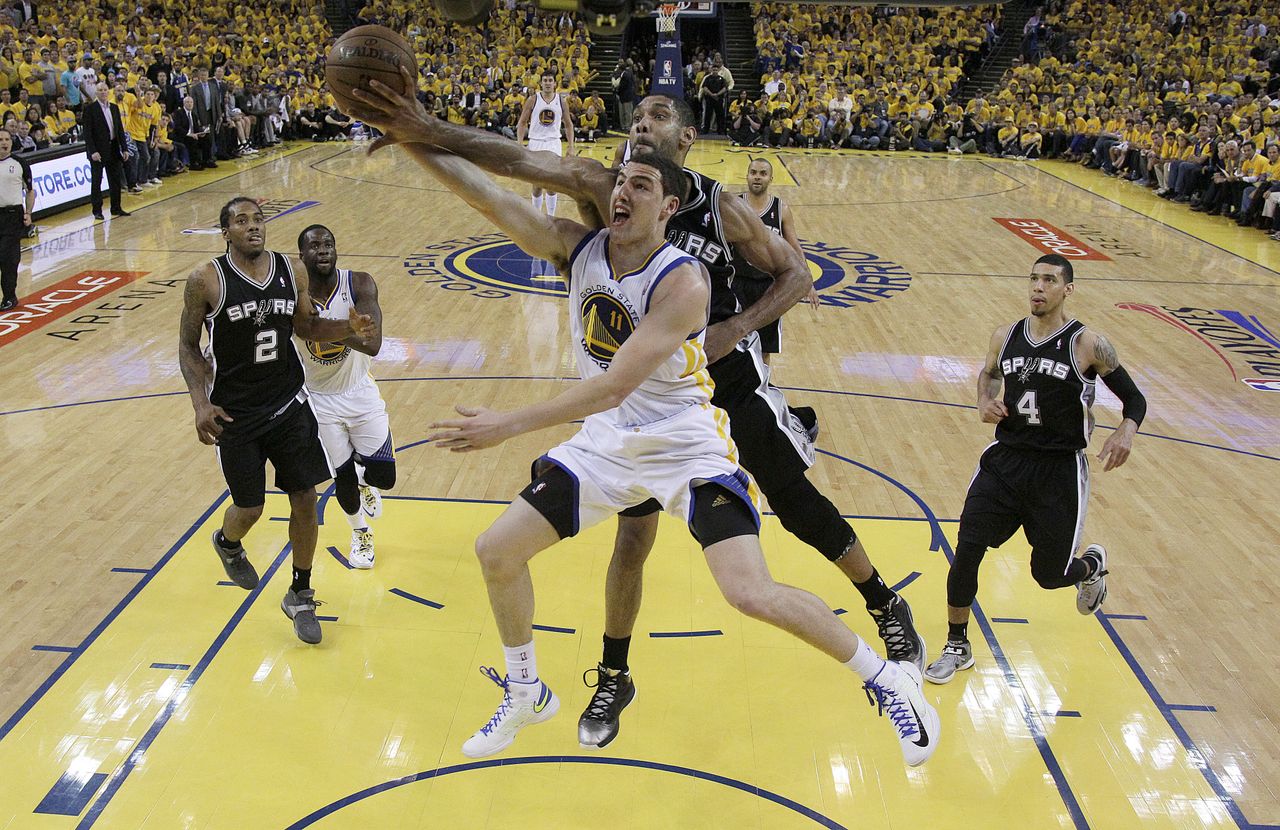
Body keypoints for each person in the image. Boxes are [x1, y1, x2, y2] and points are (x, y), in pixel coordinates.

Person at [351, 77, 926, 751]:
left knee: (786, 520)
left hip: (708, 395)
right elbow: (504, 179)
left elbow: (795, 275)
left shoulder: (714, 223)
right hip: (619, 427)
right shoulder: (598, 198)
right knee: (595, 544)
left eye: (657, 119)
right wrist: (415, 133)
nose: (640, 129)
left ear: (683, 147)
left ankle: (883, 614)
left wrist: (735, 328)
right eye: (634, 130)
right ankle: (596, 677)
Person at [924, 254, 1147, 684]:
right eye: (1033, 279)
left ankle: (1090, 568)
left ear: (1068, 289)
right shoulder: (1005, 336)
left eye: (1049, 280)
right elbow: (987, 376)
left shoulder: (1088, 344)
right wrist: (983, 401)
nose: (1038, 287)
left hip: (1059, 472)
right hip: (1006, 461)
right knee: (967, 545)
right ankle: (957, 643)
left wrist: (1126, 432)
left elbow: (1134, 399)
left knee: (1048, 576)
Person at [177, 197, 377, 643]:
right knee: (249, 508)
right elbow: (189, 347)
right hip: (235, 414)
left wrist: (347, 329)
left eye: (259, 219)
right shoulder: (206, 280)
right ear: (225, 231)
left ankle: (301, 593)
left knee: (305, 498)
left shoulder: (291, 269)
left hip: (288, 403)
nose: (253, 227)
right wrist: (199, 404)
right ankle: (228, 543)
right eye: (241, 221)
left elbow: (305, 327)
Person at [294, 224, 394, 568]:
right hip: (319, 399)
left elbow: (374, 344)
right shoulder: (295, 295)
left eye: (328, 244)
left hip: (359, 391)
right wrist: (344, 329)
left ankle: (369, 481)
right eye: (314, 246)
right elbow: (298, 331)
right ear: (302, 255)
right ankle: (360, 531)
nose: (322, 250)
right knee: (341, 477)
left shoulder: (359, 283)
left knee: (386, 478)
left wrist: (334, 331)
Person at [735, 157, 817, 364]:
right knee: (732, 341)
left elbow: (794, 247)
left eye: (762, 173)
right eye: (753, 172)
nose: (757, 177)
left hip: (769, 287)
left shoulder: (781, 208)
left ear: (771, 178)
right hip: (735, 283)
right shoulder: (734, 205)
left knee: (765, 346)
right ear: (746, 175)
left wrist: (807, 282)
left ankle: (761, 388)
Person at [516, 71, 573, 216]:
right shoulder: (533, 100)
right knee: (537, 184)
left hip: (554, 142)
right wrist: (519, 143)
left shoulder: (561, 101)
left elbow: (568, 124)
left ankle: (551, 217)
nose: (547, 83)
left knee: (552, 183)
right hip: (536, 142)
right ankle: (537, 216)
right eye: (545, 80)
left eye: (550, 80)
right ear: (541, 83)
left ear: (555, 83)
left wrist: (571, 146)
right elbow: (522, 122)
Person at [82, 84, 129, 220]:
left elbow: (119, 129)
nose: (103, 92)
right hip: (98, 150)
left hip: (113, 147)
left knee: (115, 180)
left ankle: (116, 207)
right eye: (100, 90)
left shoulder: (114, 107)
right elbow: (87, 133)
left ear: (109, 92)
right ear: (96, 93)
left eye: (105, 90)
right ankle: (97, 210)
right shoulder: (90, 109)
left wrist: (124, 148)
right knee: (96, 181)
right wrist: (93, 151)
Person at [0, 128, 33, 310]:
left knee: (8, 258)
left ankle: (9, 296)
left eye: (7, 139)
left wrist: (28, 212)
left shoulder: (20, 163)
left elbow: (30, 190)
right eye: (0, 139)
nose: (4, 143)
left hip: (12, 216)